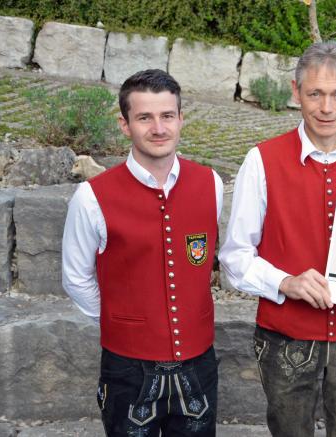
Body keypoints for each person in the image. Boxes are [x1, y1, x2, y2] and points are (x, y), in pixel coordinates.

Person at [218, 40, 336, 437]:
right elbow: (235, 257)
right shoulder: (262, 160)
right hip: (287, 339)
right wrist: (285, 282)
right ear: (296, 91)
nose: (326, 107)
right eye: (315, 93)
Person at [61, 69, 224, 436]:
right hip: (128, 368)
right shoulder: (92, 197)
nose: (158, 128)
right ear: (125, 124)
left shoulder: (210, 183)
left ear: (181, 119)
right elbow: (75, 277)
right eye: (144, 118)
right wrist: (123, 321)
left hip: (198, 362)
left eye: (167, 116)